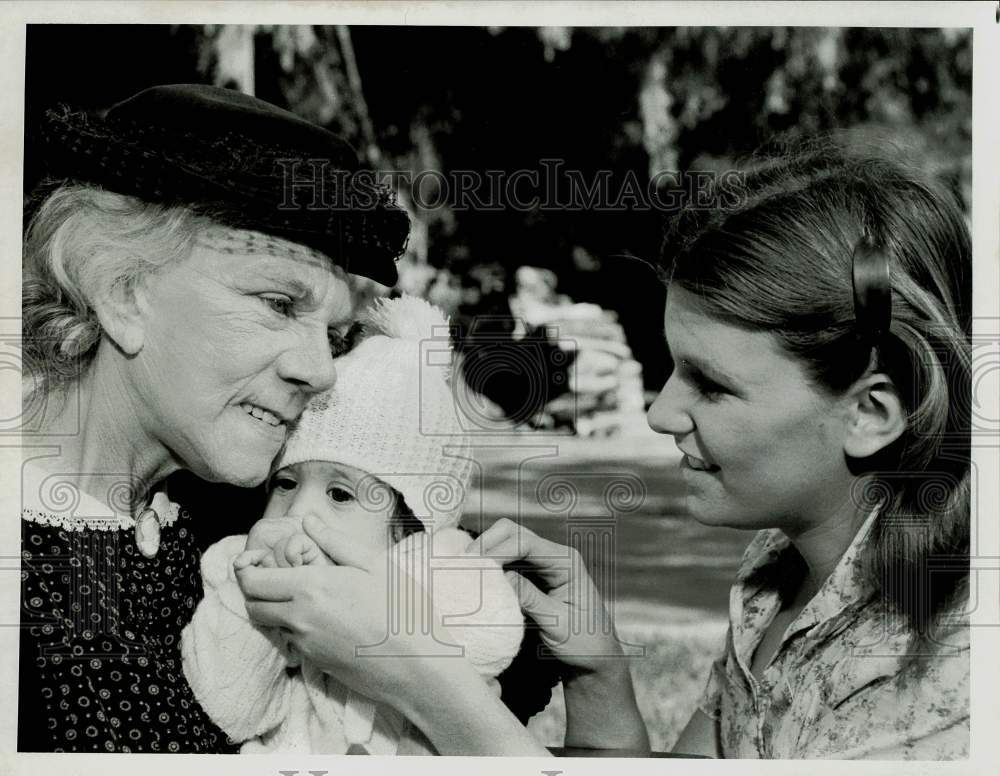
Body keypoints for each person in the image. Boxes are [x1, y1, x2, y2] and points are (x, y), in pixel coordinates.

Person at [236, 135, 972, 758]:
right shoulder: (779, 572)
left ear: (871, 413)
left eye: (711, 386)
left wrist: (415, 677)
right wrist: (600, 677)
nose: (659, 412)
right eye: (670, 367)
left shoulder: (949, 677)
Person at [18, 83, 410, 753]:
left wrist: (600, 690)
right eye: (280, 304)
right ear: (123, 293)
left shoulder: (265, 521)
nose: (321, 371)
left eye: (338, 336)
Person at [179, 295, 525, 755]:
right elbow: (231, 707)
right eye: (285, 484)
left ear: (412, 526)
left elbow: (492, 638)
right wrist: (256, 599)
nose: (300, 512)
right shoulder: (238, 564)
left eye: (340, 494)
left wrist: (384, 609)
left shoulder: (436, 561)